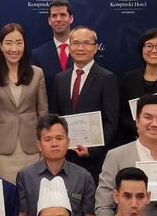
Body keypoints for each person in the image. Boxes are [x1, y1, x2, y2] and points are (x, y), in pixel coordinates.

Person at [96, 95, 157, 216]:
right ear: (137, 121)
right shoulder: (116, 156)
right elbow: (104, 205)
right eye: (148, 117)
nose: (154, 124)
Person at [16, 115, 97, 216]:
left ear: (68, 142)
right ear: (39, 145)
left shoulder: (83, 177)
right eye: (48, 139)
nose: (54, 144)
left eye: (59, 138)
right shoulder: (25, 176)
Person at [50, 26, 119, 179]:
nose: (80, 48)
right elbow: (54, 117)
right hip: (64, 157)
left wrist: (93, 150)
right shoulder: (60, 79)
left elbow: (111, 122)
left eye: (86, 43)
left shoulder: (107, 78)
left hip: (94, 161)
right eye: (75, 43)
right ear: (69, 47)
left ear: (95, 48)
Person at [0, 23, 49, 182]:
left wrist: (44, 146)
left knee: (32, 190)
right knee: (6, 193)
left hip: (32, 148)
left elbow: (43, 113)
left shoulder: (37, 73)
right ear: (0, 46)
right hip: (2, 150)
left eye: (19, 43)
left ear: (24, 45)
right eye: (9, 43)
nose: (14, 48)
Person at [30, 0, 74, 86]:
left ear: (71, 19)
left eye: (63, 15)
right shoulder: (37, 55)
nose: (58, 19)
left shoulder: (83, 50)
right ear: (49, 21)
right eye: (54, 16)